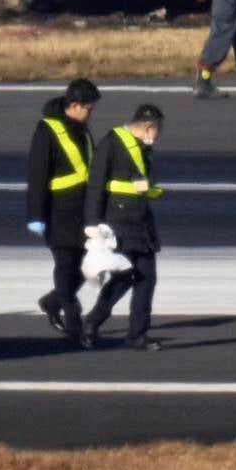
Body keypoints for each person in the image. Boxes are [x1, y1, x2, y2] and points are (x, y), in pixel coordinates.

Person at [25, 78, 100, 342]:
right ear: (74, 105)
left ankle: (53, 300)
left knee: (88, 267)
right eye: (88, 109)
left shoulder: (83, 129)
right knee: (65, 265)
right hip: (58, 214)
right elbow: (37, 175)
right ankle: (73, 322)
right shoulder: (47, 130)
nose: (90, 114)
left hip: (85, 213)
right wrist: (36, 215)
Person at [88, 103, 165, 349]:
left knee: (146, 277)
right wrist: (92, 223)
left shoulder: (143, 147)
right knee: (125, 275)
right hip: (118, 221)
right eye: (158, 130)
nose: (159, 135)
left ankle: (137, 335)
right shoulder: (111, 143)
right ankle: (93, 321)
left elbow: (139, 182)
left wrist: (151, 192)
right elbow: (96, 185)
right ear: (148, 127)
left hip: (141, 220)